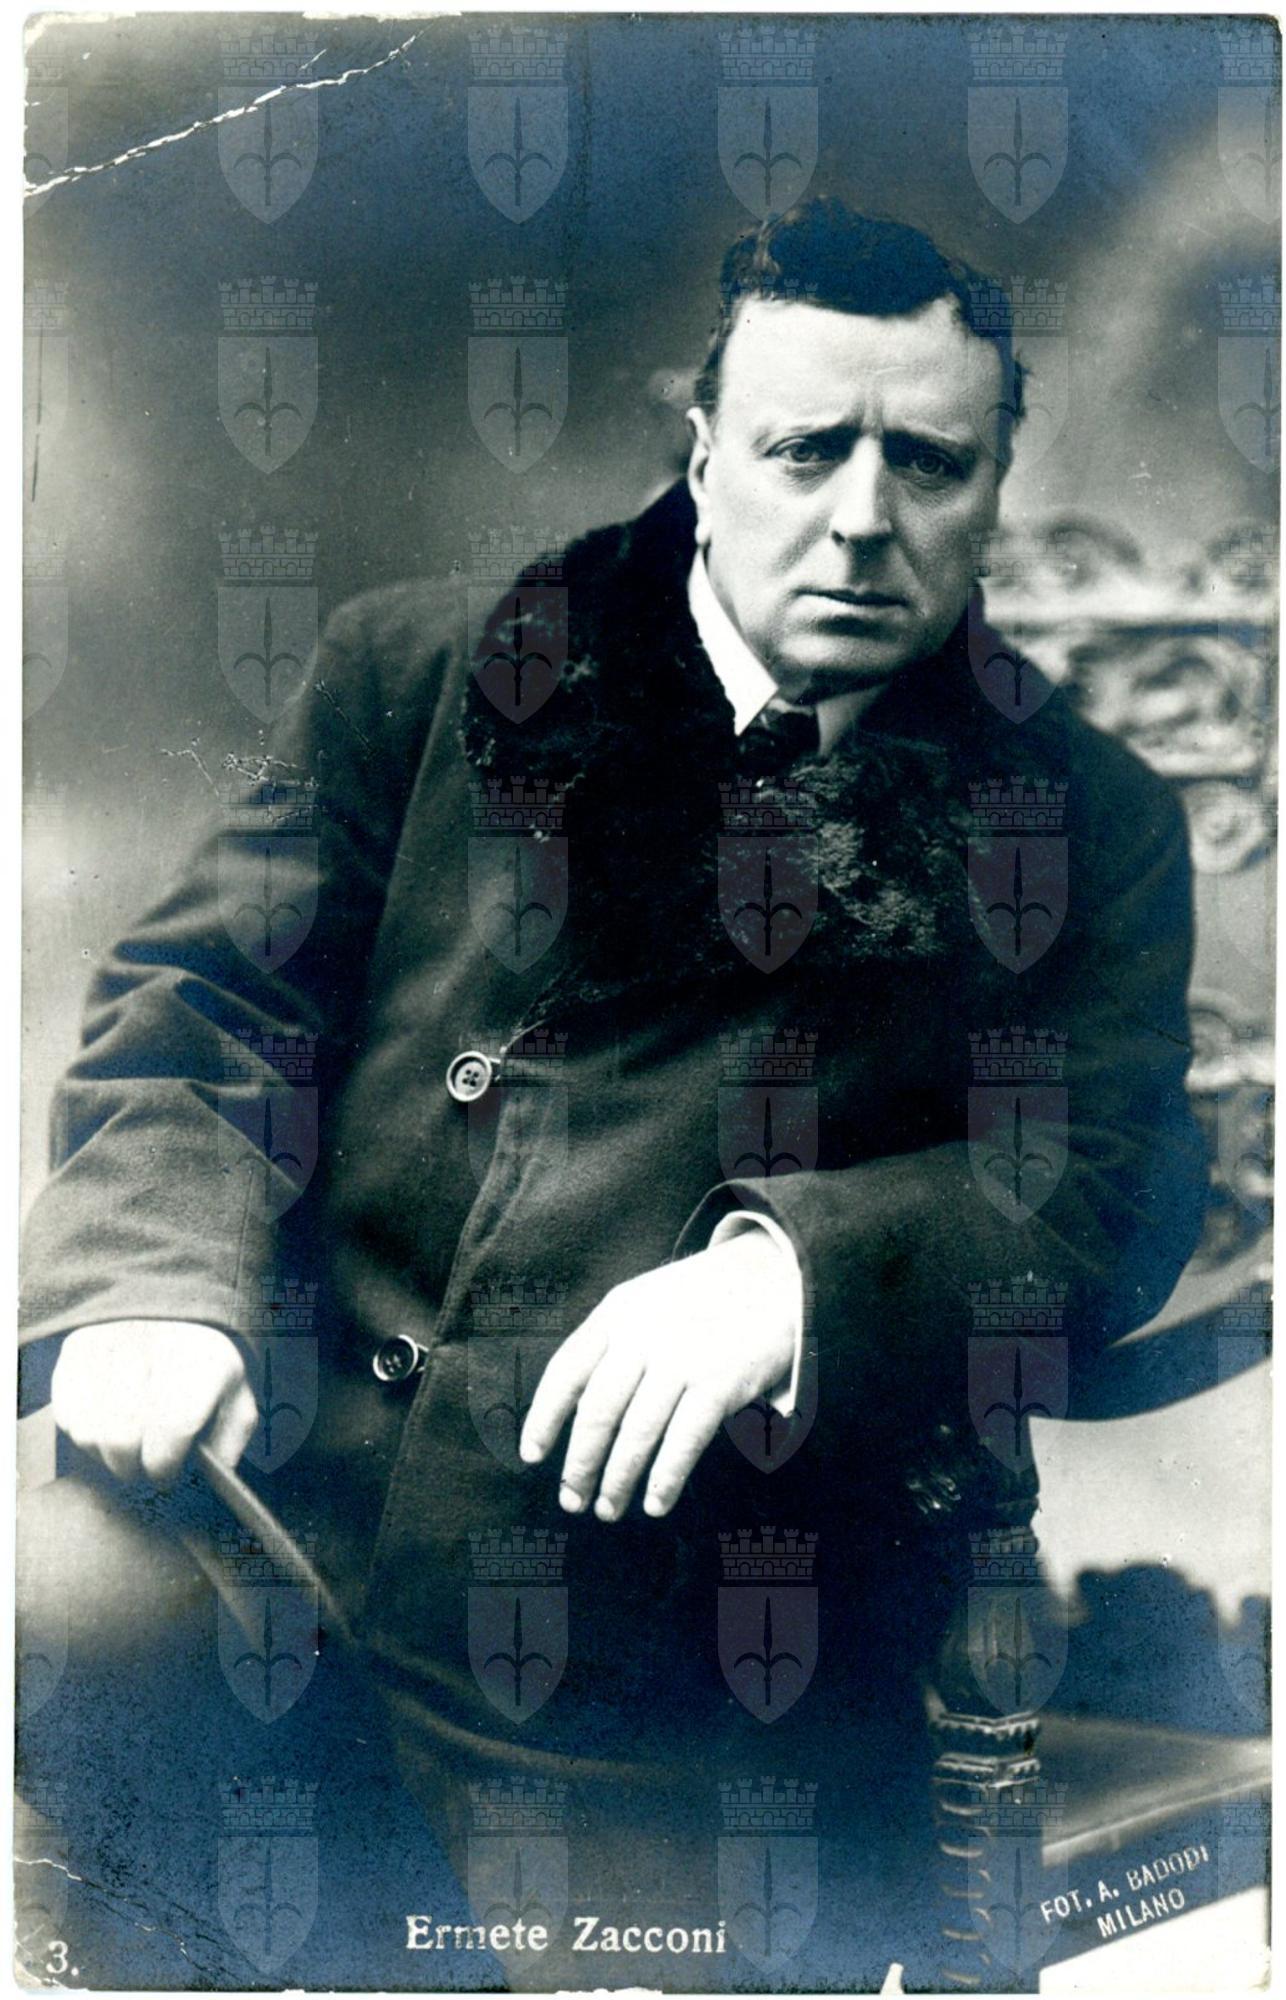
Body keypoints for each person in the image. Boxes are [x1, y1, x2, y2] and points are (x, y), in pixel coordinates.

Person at [18, 199, 1207, 1990]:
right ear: (703, 451)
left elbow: (1105, 1187)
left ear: (992, 485)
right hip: (283, 1528)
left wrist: (790, 1279)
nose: (863, 517)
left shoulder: (1079, 820)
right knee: (65, 1643)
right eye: (805, 449)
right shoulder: (424, 673)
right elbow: (207, 1008)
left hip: (680, 1662)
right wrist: (147, 1289)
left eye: (927, 462)